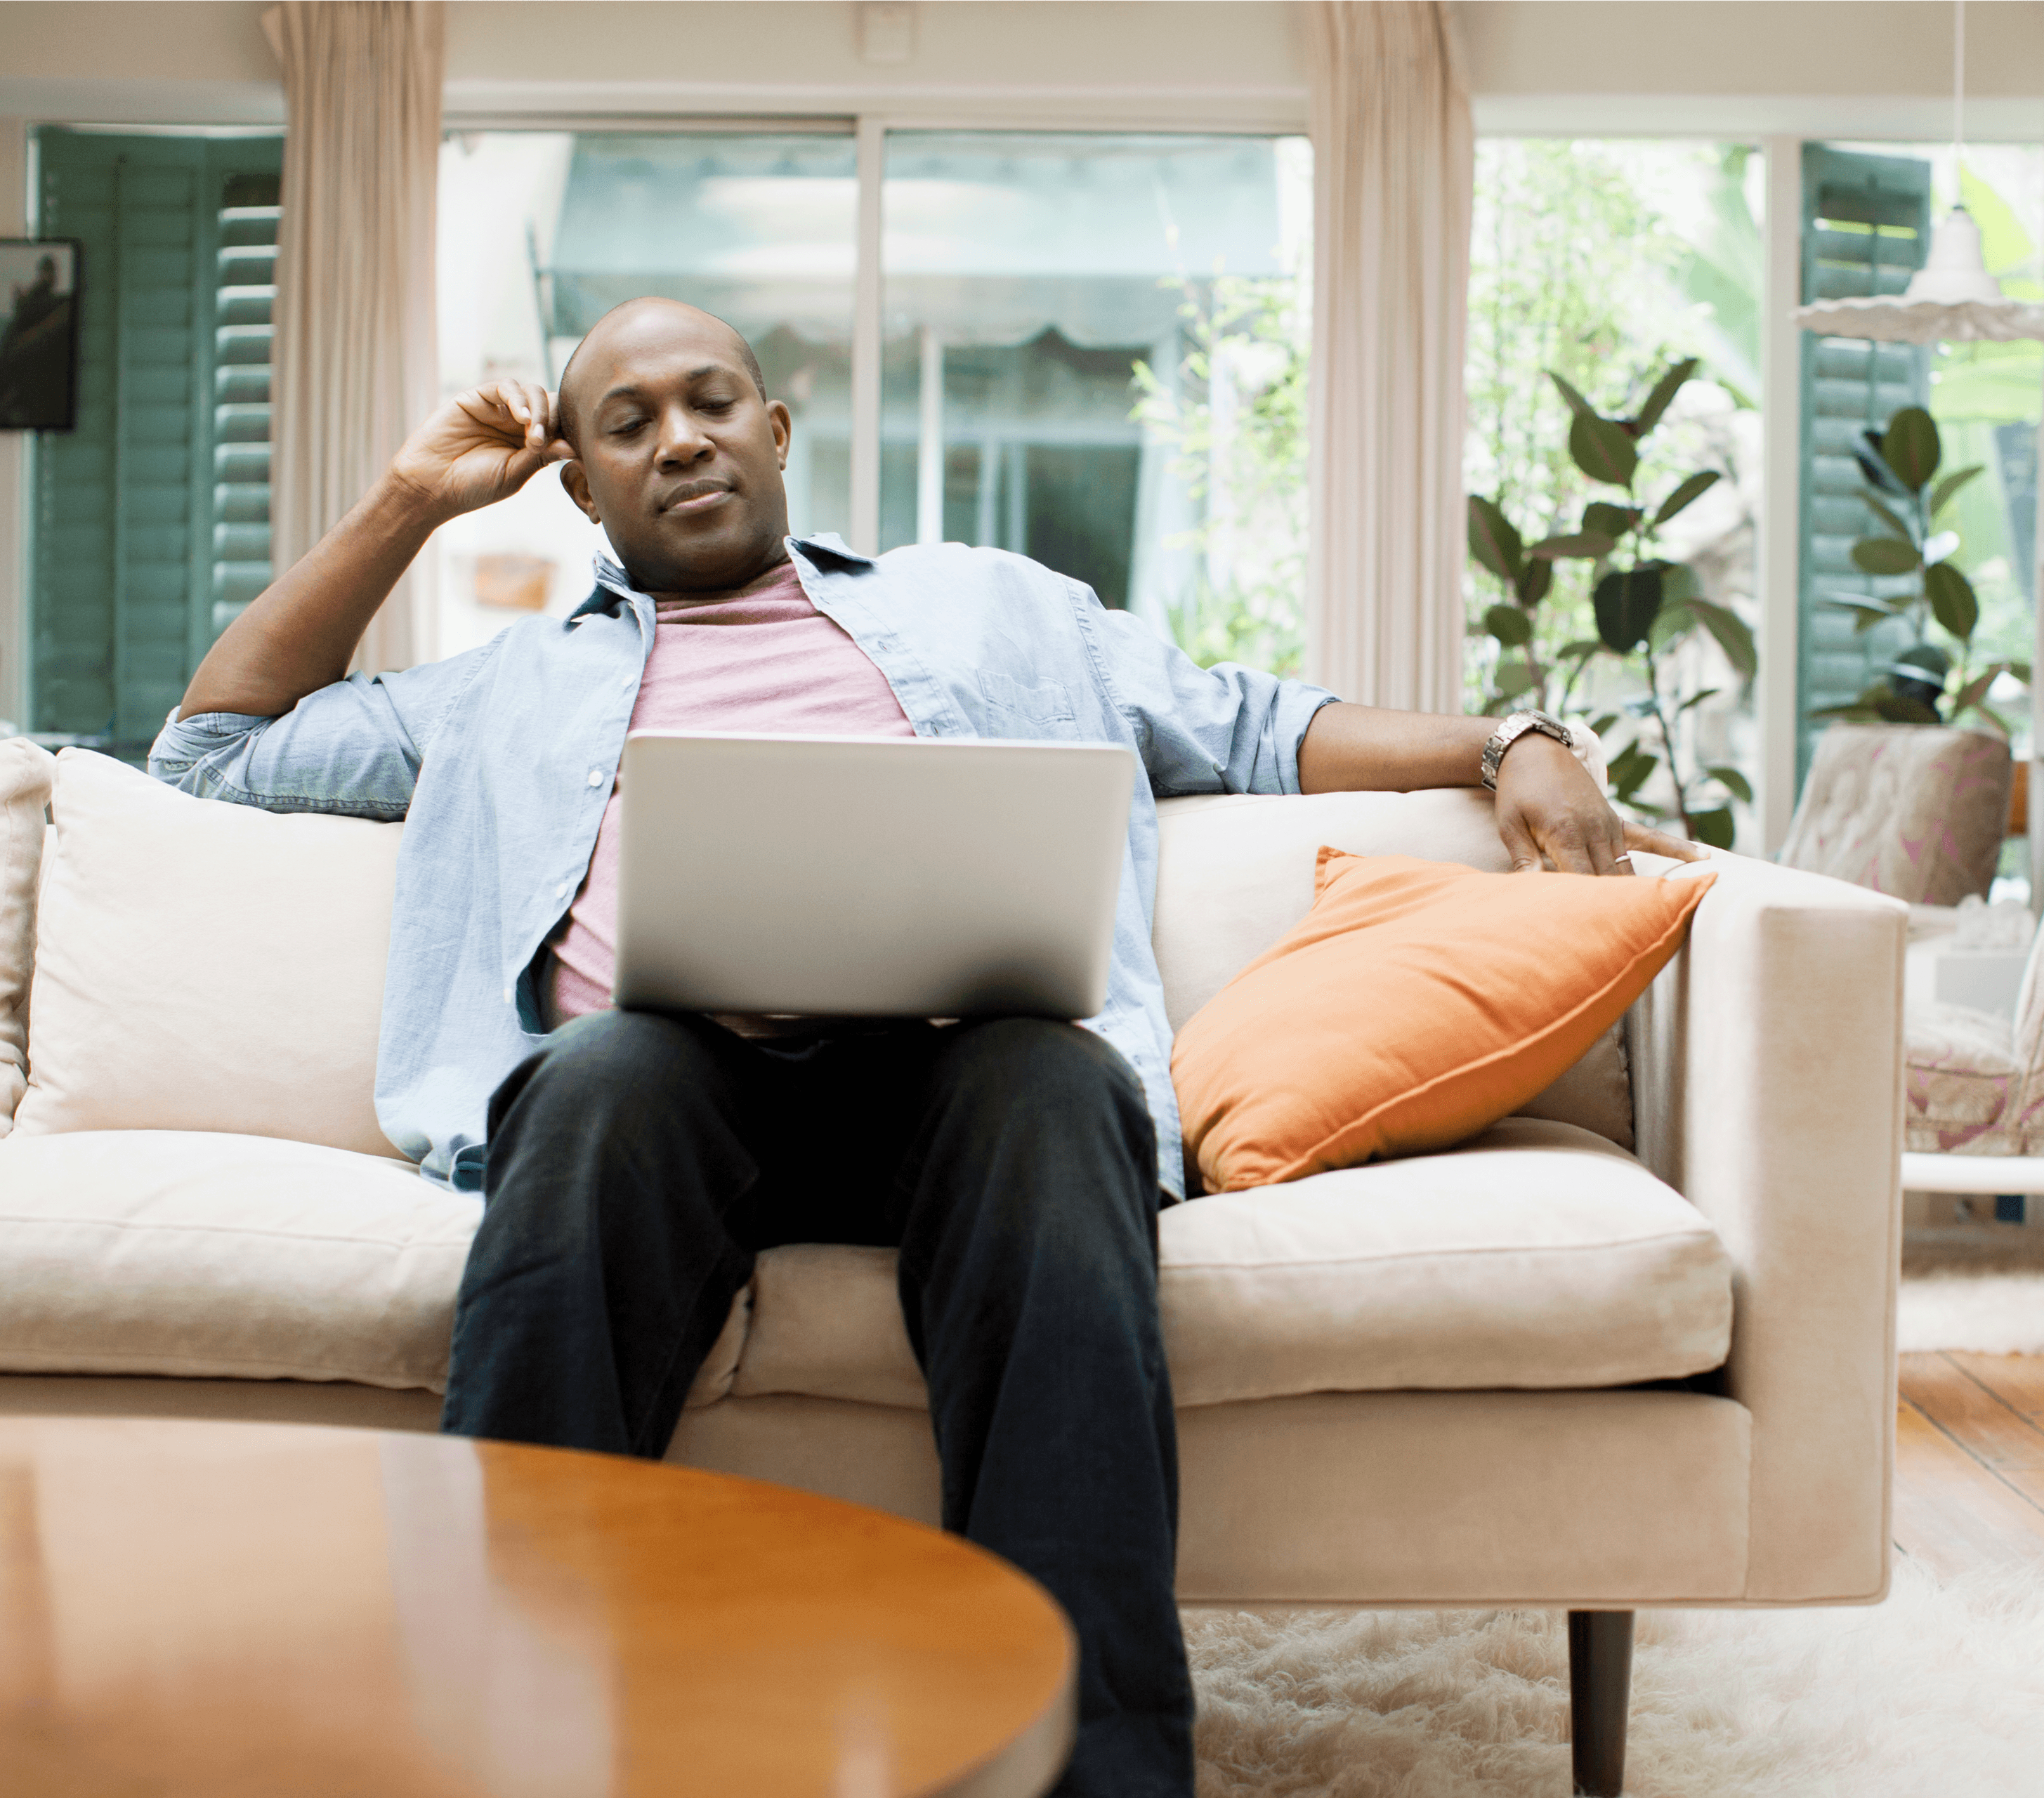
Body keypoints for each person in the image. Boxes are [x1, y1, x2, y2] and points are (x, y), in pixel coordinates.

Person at [150, 297, 1689, 1798]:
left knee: (1056, 1074)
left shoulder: (988, 608)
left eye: (708, 400)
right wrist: (409, 503)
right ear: (579, 484)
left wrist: (1513, 741)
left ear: (776, 426)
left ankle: (1088, 1768)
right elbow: (211, 754)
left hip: (961, 1086)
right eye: (627, 424)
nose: (680, 439)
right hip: (665, 1096)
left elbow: (1256, 722)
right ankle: (502, 1741)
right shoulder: (503, 687)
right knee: (595, 1080)